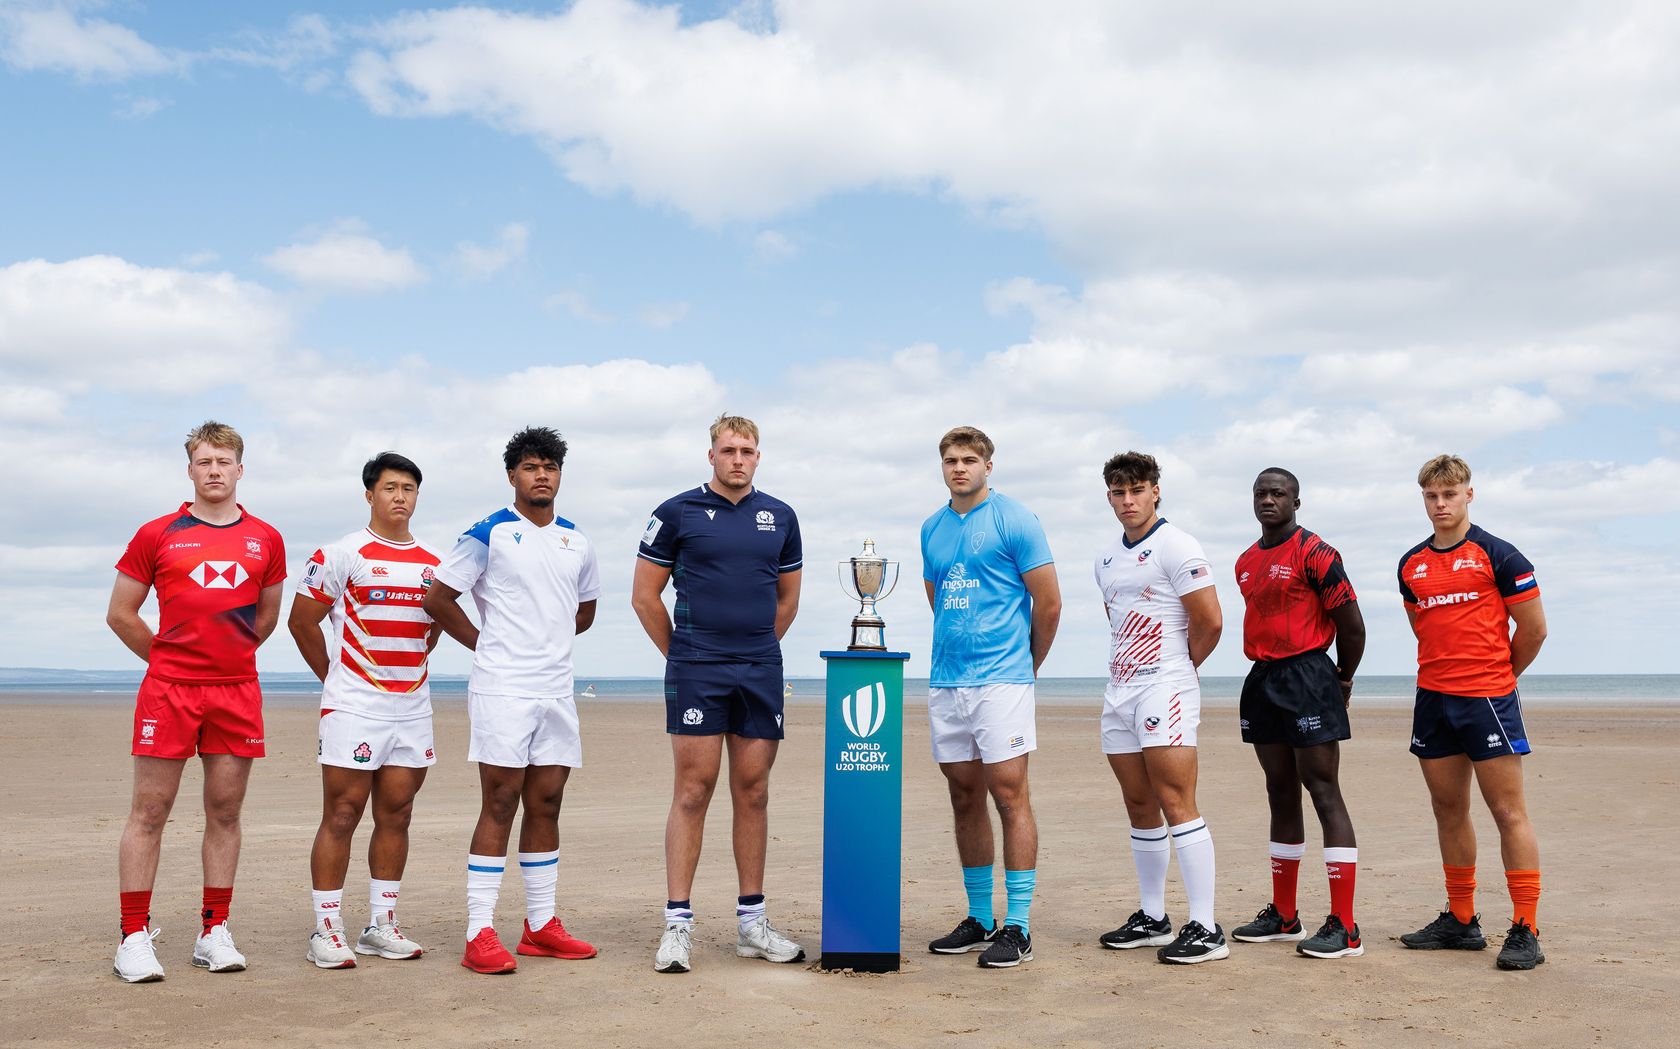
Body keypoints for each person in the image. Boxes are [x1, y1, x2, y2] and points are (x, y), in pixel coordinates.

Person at [107, 420, 287, 982]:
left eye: (223, 462)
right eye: (204, 462)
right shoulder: (157, 533)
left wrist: (222, 661)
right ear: (190, 470)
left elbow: (266, 619)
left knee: (225, 811)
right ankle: (132, 936)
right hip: (169, 691)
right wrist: (169, 661)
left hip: (236, 690)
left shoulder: (266, 538)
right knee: (150, 811)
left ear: (240, 469)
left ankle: (214, 931)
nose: (214, 471)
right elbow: (121, 614)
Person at [423, 427, 601, 975]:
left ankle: (540, 926)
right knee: (500, 801)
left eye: (550, 466)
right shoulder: (488, 533)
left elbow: (585, 610)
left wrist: (546, 641)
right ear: (512, 476)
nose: (541, 475)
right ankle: (478, 931)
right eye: (530, 466)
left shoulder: (577, 540)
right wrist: (487, 644)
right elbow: (438, 598)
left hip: (556, 689)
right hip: (502, 687)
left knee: (546, 801)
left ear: (559, 475)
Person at [632, 414, 804, 974]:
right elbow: (644, 596)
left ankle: (752, 924)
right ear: (711, 455)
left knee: (753, 790)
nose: (738, 459)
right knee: (693, 790)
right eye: (728, 450)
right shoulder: (675, 512)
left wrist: (755, 649)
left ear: (758, 457)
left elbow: (787, 600)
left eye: (747, 451)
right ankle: (677, 925)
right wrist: (683, 655)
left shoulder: (780, 517)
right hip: (696, 668)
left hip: (759, 668)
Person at [288, 452, 443, 969]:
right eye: (390, 488)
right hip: (354, 707)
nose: (400, 497)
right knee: (343, 812)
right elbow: (301, 622)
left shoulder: (435, 563)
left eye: (409, 489)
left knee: (397, 812)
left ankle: (381, 925)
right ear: (370, 495)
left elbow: (432, 630)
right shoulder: (341, 553)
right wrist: (335, 680)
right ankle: (327, 928)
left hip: (412, 708)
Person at [1397, 455, 1548, 971]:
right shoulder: (1411, 563)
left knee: (1507, 812)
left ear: (1468, 494)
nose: (1440, 504)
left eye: (1450, 494)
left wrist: (1499, 676)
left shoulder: (1499, 555)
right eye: (1431, 496)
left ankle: (1526, 927)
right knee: (1448, 809)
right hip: (1433, 698)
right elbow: (1422, 627)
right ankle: (1462, 920)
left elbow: (1534, 630)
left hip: (1487, 699)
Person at [920, 426, 1061, 969]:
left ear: (988, 466)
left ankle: (1018, 925)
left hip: (1002, 679)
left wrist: (1025, 667)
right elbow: (939, 599)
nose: (960, 468)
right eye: (951, 460)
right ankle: (980, 917)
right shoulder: (931, 528)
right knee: (963, 795)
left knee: (1009, 794)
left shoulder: (1016, 519)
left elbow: (1048, 603)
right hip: (947, 680)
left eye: (970, 459)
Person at [1092, 451, 1227, 964]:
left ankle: (1206, 927)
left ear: (1155, 491)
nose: (1128, 500)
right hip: (1119, 690)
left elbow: (1210, 621)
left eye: (1137, 490)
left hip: (1165, 687)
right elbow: (1116, 619)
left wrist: (1178, 670)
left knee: (1176, 800)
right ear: (1109, 497)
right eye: (1118, 492)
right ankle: (1153, 918)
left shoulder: (1177, 545)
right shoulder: (1105, 558)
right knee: (1138, 802)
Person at [1230, 468, 1367, 959]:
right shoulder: (1246, 560)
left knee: (1323, 790)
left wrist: (1342, 679)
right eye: (1261, 493)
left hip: (1309, 675)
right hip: (1263, 679)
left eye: (1278, 493)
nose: (1268, 500)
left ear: (1295, 502)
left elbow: (1352, 626)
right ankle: (1284, 915)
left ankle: (1345, 926)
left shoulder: (1317, 553)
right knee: (1279, 791)